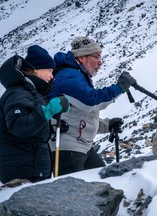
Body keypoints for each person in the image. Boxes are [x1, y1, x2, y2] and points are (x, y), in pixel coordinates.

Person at [49, 36, 136, 175]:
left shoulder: (77, 75)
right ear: (82, 57)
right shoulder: (68, 75)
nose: (100, 62)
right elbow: (90, 103)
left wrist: (106, 125)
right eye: (96, 57)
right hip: (67, 147)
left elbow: (80, 114)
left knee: (101, 184)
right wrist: (119, 88)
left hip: (82, 146)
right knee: (73, 194)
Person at [0, 45, 70, 184]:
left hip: (31, 169)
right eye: (50, 71)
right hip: (23, 173)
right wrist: (49, 110)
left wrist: (51, 128)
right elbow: (20, 127)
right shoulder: (17, 93)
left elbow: (32, 128)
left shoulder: (30, 93)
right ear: (36, 70)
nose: (52, 76)